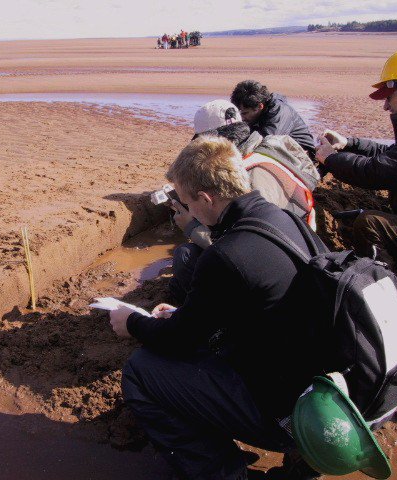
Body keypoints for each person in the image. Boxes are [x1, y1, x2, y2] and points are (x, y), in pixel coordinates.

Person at [109, 136, 325, 480]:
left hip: (291, 416)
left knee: (142, 371)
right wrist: (185, 316)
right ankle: (306, 461)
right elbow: (259, 305)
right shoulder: (284, 220)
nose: (188, 213)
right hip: (328, 398)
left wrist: (132, 322)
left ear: (206, 198)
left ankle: (224, 474)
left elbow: (177, 342)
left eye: (187, 204)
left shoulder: (226, 254)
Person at [170, 100, 320, 302]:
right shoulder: (265, 150)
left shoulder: (251, 179)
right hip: (301, 245)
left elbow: (248, 247)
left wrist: (191, 227)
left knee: (187, 257)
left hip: (285, 274)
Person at [315, 47, 397, 285]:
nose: (385, 107)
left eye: (389, 97)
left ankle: (386, 289)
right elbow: (394, 156)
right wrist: (350, 143)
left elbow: (373, 172)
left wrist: (330, 158)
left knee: (369, 224)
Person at [231, 80, 316, 157]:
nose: (241, 118)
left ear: (260, 106)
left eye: (245, 113)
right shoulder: (258, 112)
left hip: (305, 156)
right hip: (285, 150)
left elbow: (267, 143)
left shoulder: (279, 112)